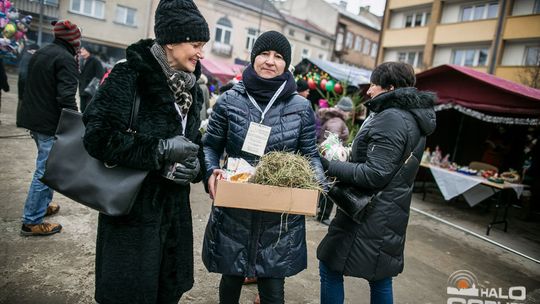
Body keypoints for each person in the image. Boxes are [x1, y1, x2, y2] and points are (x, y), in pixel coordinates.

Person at [82, 0, 209, 302]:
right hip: (133, 217)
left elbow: (192, 142)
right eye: (195, 44)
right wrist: (160, 149)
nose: (201, 53)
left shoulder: (190, 86)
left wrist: (196, 167)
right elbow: (97, 137)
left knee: (167, 292)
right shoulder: (128, 75)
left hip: (173, 219)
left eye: (202, 45)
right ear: (170, 41)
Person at [202, 30, 325, 304]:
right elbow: (210, 145)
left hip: (278, 216)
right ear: (253, 58)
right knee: (230, 276)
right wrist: (211, 171)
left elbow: (310, 155)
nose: (270, 61)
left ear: (286, 64)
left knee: (272, 287)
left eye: (279, 56)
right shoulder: (229, 100)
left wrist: (317, 182)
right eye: (264, 54)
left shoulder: (301, 108)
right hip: (235, 208)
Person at [317, 62, 436, 304]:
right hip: (389, 210)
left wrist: (327, 165)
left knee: (330, 266)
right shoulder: (410, 117)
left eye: (373, 84)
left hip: (369, 212)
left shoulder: (391, 117)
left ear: (390, 88)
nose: (369, 91)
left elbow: (375, 173)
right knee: (380, 277)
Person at [16, 20, 81, 236]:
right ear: (73, 39)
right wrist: (75, 122)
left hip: (33, 118)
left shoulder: (42, 52)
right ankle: (31, 221)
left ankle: (41, 206)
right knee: (46, 170)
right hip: (49, 122)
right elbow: (66, 97)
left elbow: (24, 81)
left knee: (49, 167)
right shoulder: (66, 59)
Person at [316, 96, 353, 225]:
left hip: (327, 157)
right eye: (349, 110)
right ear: (345, 110)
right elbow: (332, 140)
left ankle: (321, 212)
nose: (350, 113)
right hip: (331, 158)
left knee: (325, 186)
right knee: (330, 187)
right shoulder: (337, 121)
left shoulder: (335, 118)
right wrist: (337, 157)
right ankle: (323, 216)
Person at [78, 45, 105, 112]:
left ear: (88, 51)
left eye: (83, 49)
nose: (81, 50)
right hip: (82, 89)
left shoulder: (95, 61)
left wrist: (91, 86)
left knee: (88, 110)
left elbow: (100, 75)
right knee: (82, 109)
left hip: (90, 91)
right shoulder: (82, 60)